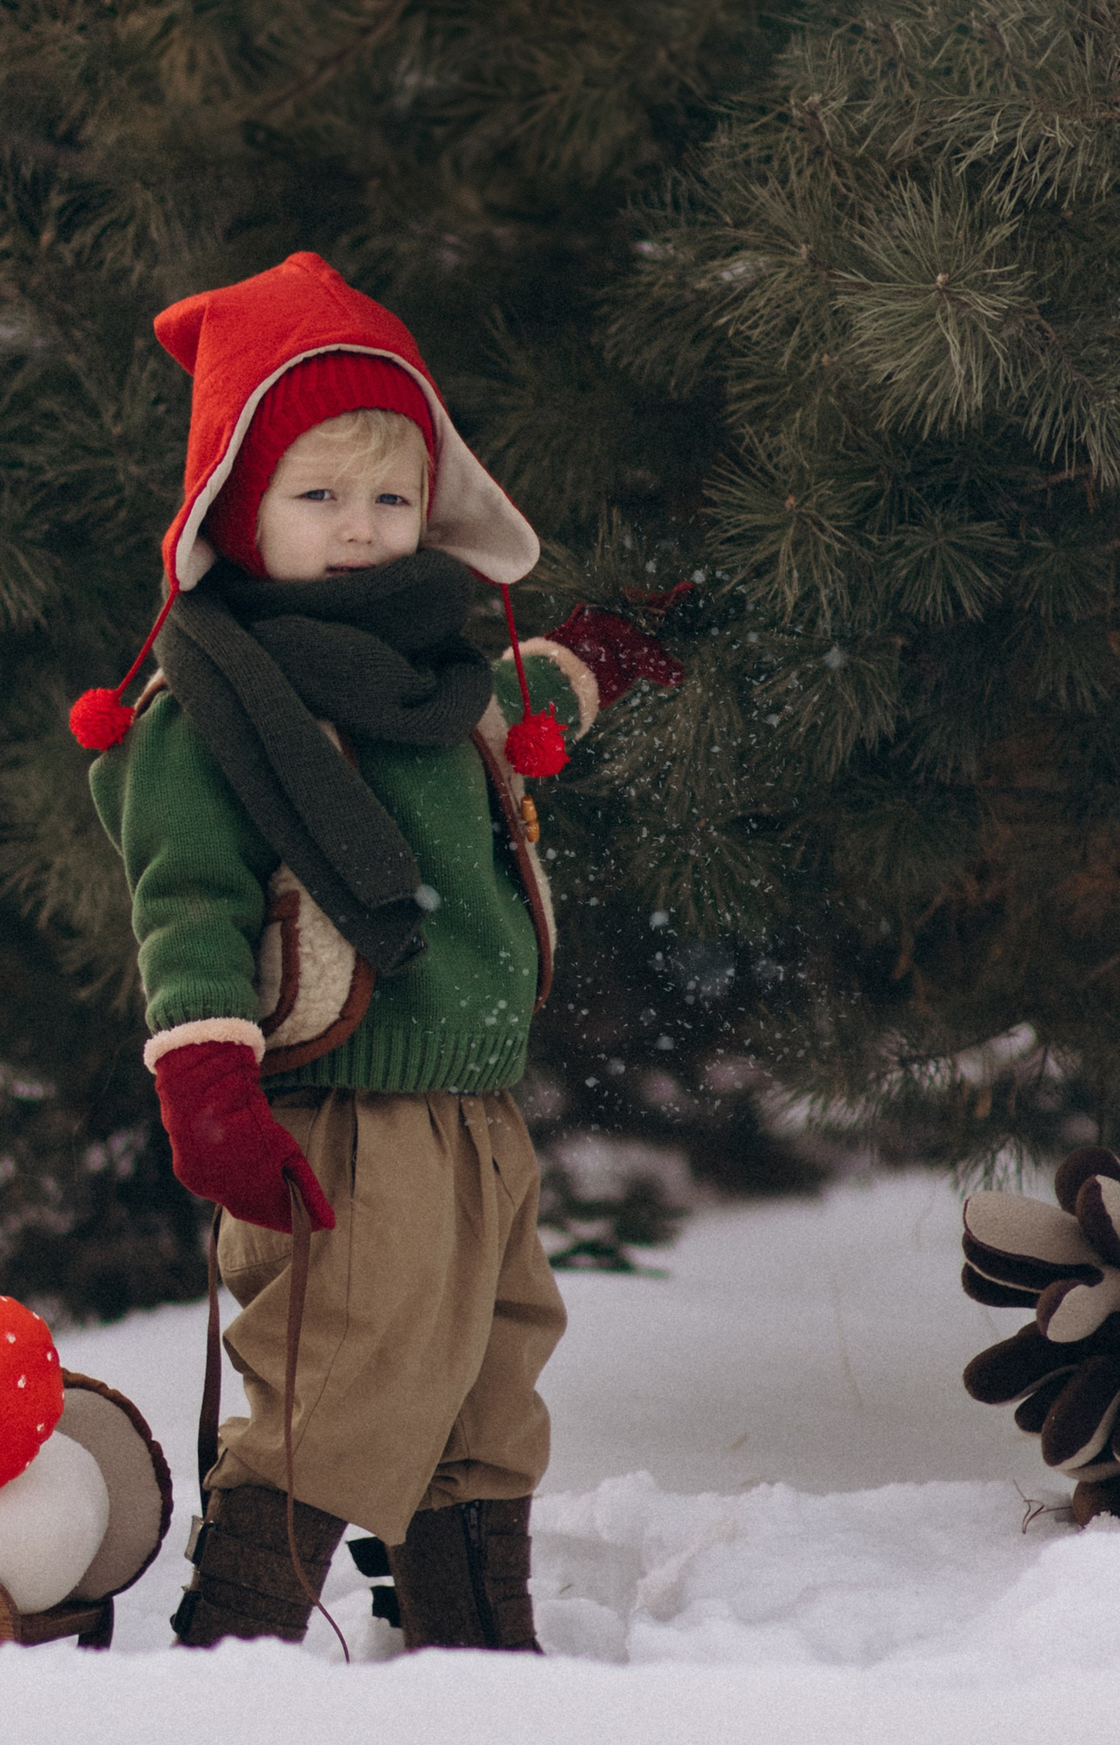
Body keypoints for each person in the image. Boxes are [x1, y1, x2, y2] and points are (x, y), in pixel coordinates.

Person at [76, 252, 679, 1651]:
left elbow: (502, 715)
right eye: (319, 495)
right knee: (341, 1368)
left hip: (473, 1101)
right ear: (240, 508)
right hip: (339, 1114)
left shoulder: (431, 667)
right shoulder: (212, 702)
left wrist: (598, 657)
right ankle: (237, 1633)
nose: (360, 528)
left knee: (489, 1371)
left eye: (390, 496)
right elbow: (189, 901)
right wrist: (207, 1081)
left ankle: (478, 1642)